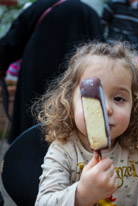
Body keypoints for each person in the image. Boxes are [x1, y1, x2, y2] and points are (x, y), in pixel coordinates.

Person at [34, 42, 138, 206]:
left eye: (119, 98)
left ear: (134, 107)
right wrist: (81, 195)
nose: (106, 108)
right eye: (92, 97)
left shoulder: (135, 150)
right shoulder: (63, 151)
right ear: (69, 103)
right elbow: (43, 203)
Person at [0, 0, 103, 143]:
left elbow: (10, 45)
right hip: (73, 83)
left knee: (32, 130)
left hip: (35, 83)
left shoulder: (38, 7)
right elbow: (101, 53)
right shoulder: (90, 13)